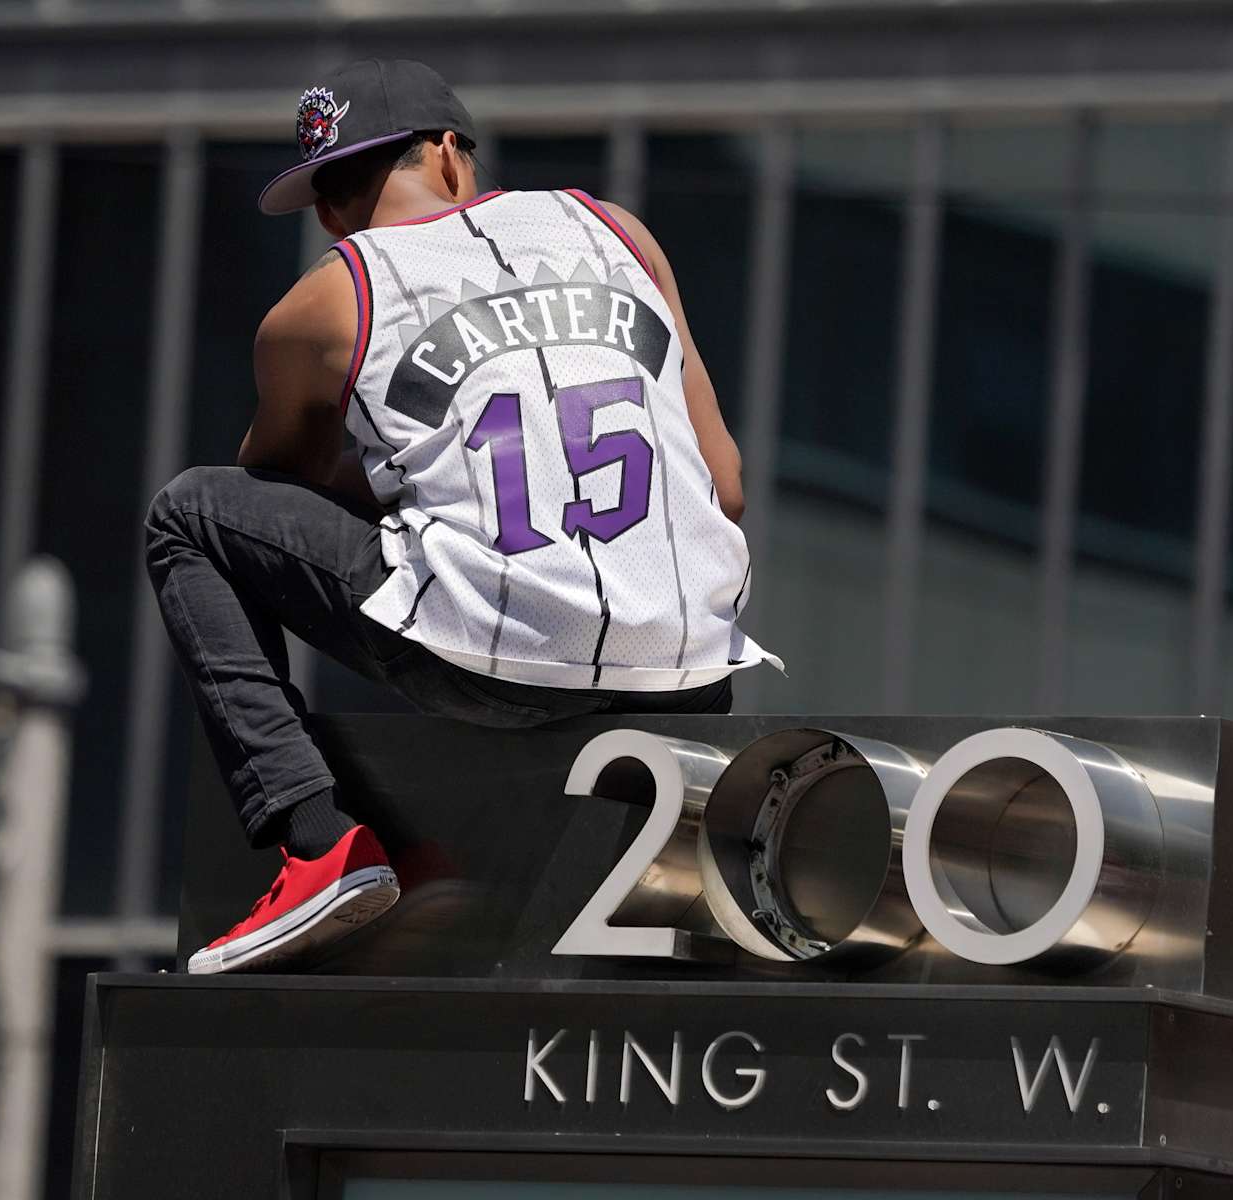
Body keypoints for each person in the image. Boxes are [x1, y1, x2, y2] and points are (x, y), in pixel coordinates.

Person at [145, 58, 780, 975]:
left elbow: (275, 487)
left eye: (335, 196)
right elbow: (724, 486)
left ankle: (320, 842)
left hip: (503, 662)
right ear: (450, 155)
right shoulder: (617, 233)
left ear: (328, 208)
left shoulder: (327, 297)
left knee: (190, 515)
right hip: (687, 670)